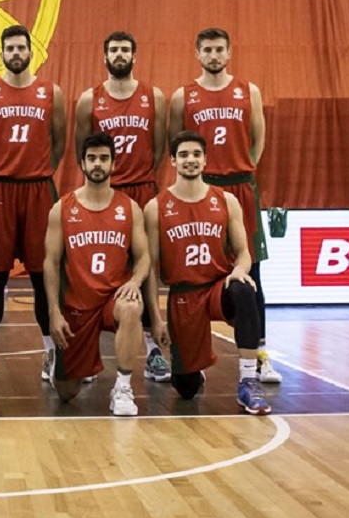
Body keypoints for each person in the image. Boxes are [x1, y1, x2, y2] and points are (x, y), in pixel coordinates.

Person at [168, 28, 281, 382]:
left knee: (252, 276)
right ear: (197, 54)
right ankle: (192, 354)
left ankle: (261, 355)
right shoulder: (182, 96)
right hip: (202, 189)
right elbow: (176, 143)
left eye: (219, 49)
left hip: (241, 187)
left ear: (229, 53)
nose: (214, 55)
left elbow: (258, 139)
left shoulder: (248, 91)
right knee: (194, 273)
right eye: (207, 50)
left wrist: (243, 169)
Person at [143, 131, 272, 415]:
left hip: (217, 286)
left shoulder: (226, 201)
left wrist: (239, 270)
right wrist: (156, 319)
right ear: (173, 161)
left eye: (196, 155)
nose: (191, 160)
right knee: (186, 389)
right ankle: (192, 371)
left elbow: (243, 253)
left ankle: (248, 381)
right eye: (184, 155)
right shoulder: (155, 207)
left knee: (244, 288)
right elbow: (149, 270)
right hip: (183, 296)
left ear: (205, 160)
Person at [0, 25, 66, 384]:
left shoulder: (49, 92)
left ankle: (50, 352)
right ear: (2, 52)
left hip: (39, 189)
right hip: (0, 191)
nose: (16, 53)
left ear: (30, 51)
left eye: (21, 47)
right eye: (9, 48)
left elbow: (59, 143)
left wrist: (39, 171)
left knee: (45, 276)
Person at [73, 30, 171, 384]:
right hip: (104, 192)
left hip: (142, 189)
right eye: (113, 49)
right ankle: (86, 351)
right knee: (95, 269)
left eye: (125, 50)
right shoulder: (89, 100)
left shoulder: (153, 96)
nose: (119, 55)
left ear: (134, 56)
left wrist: (143, 179)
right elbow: (80, 149)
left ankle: (154, 350)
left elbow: (159, 148)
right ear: (104, 57)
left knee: (147, 269)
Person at [44, 133, 166, 415]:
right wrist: (53, 311)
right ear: (82, 164)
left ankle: (123, 387)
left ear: (113, 164)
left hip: (114, 299)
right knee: (66, 392)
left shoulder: (129, 208)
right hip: (77, 305)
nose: (98, 164)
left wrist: (135, 281)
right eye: (92, 158)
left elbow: (144, 256)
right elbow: (50, 262)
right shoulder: (62, 208)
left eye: (104, 158)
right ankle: (59, 364)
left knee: (133, 306)